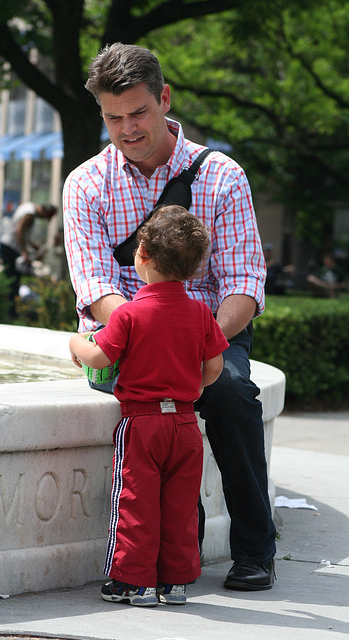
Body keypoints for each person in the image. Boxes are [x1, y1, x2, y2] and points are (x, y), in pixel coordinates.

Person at [63, 43, 277, 591]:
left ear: (164, 99)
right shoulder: (85, 184)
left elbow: (243, 286)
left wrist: (194, 341)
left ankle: (255, 549)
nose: (127, 128)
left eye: (139, 113)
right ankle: (175, 560)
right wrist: (146, 335)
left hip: (209, 332)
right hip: (127, 336)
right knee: (154, 422)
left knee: (230, 394)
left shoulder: (221, 177)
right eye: (114, 117)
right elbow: (95, 286)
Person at [69, 205, 229, 606]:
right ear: (193, 269)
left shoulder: (130, 313)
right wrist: (188, 386)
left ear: (141, 256)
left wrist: (75, 344)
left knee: (135, 503)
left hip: (142, 424)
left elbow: (100, 358)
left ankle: (133, 582)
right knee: (180, 506)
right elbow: (214, 368)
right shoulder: (200, 313)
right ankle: (174, 583)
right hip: (186, 425)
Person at [0, 202, 57, 316]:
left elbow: (23, 234)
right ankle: (10, 312)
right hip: (11, 247)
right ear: (44, 212)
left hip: (7, 244)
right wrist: (24, 252)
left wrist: (34, 246)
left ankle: (10, 310)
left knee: (12, 279)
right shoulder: (30, 215)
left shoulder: (28, 206)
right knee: (13, 281)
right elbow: (19, 231)